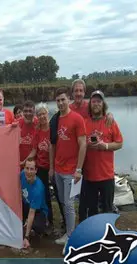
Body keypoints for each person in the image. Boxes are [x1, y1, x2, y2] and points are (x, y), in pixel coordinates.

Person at [49, 87, 86, 247]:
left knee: (69, 204)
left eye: (63, 99)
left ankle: (71, 237)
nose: (61, 103)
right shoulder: (55, 119)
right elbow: (52, 145)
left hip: (71, 171)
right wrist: (51, 167)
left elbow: (83, 144)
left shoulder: (77, 119)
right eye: (58, 100)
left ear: (69, 99)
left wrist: (79, 169)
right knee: (63, 202)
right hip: (58, 169)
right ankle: (68, 232)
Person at [79, 90, 123, 222]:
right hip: (89, 176)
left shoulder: (110, 121)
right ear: (90, 104)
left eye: (99, 101)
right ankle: (94, 236)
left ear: (103, 104)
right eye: (93, 101)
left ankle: (108, 235)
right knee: (91, 210)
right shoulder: (84, 122)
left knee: (107, 210)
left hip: (106, 175)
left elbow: (120, 143)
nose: (96, 104)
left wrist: (106, 146)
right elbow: (79, 144)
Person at [27, 103, 65, 230]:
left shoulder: (53, 128)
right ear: (37, 116)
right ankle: (49, 221)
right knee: (45, 195)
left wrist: (52, 168)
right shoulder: (37, 131)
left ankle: (66, 221)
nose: (42, 116)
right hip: (41, 168)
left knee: (60, 195)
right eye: (39, 114)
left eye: (44, 113)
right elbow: (34, 150)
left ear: (47, 113)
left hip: (54, 167)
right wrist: (25, 161)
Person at [21, 159, 49, 249]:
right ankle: (26, 224)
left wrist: (26, 237)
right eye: (27, 168)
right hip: (25, 205)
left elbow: (32, 212)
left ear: (36, 170)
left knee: (38, 227)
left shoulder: (38, 188)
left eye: (32, 169)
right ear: (24, 168)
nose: (29, 172)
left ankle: (33, 229)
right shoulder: (22, 175)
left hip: (38, 210)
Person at [19, 100, 38, 166]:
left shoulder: (39, 124)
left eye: (30, 111)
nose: (28, 113)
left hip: (33, 166)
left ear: (34, 112)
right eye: (25, 111)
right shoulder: (17, 123)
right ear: (22, 112)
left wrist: (24, 162)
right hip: (19, 163)